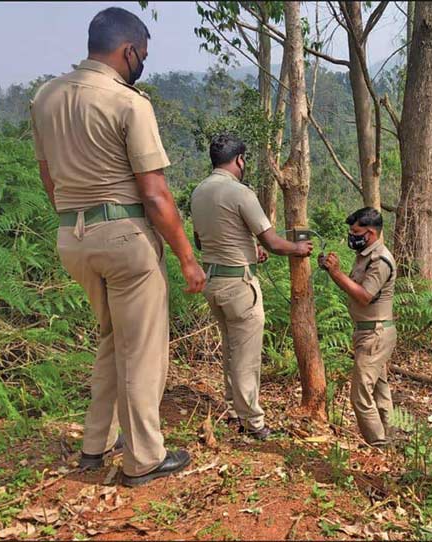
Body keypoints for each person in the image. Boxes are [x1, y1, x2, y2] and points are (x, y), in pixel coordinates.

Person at [31, 7, 206, 486]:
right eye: (142, 54)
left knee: (113, 339)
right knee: (143, 350)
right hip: (125, 237)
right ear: (129, 50)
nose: (141, 62)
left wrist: (76, 222)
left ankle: (95, 444)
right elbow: (154, 193)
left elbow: (49, 177)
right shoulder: (129, 103)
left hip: (73, 235)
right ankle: (145, 457)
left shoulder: (45, 97)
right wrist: (188, 258)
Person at [191, 134, 313, 440]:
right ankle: (253, 422)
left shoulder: (199, 191)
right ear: (239, 160)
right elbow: (272, 242)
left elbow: (201, 240)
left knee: (232, 349)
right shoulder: (240, 192)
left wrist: (247, 249)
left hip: (213, 280)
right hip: (239, 284)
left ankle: (234, 410)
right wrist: (297, 249)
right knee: (246, 355)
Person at [319, 208, 397, 448]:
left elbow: (364, 295)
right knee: (380, 390)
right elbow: (353, 285)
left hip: (376, 334)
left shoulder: (380, 260)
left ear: (371, 233)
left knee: (360, 393)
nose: (351, 236)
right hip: (366, 331)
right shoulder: (365, 254)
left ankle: (377, 444)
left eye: (356, 232)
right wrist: (332, 271)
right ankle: (392, 438)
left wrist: (336, 272)